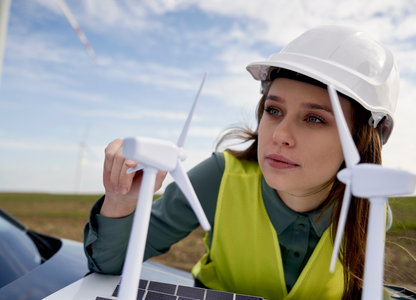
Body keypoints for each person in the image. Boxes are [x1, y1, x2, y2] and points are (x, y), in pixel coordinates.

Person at [84, 25, 399, 299]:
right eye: (273, 110)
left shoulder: (370, 207)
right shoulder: (219, 178)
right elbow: (109, 265)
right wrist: (121, 202)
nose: (280, 135)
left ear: (362, 140)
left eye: (314, 118)